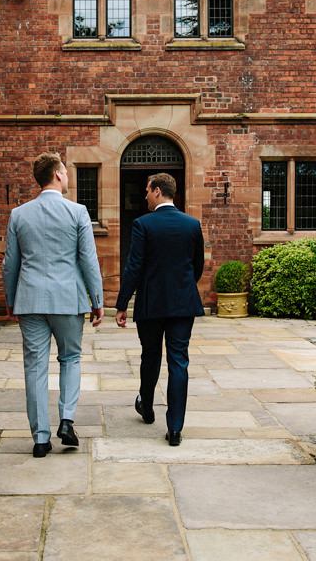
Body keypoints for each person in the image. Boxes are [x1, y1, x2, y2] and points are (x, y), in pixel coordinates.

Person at [3, 152, 104, 457]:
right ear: (59, 174)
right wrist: (97, 300)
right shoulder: (78, 212)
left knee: (34, 367)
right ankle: (67, 420)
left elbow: (10, 265)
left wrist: (11, 301)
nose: (68, 177)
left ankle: (40, 439)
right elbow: (89, 260)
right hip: (68, 299)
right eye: (66, 172)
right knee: (71, 358)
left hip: (30, 300)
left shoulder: (19, 215)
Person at [115, 172, 205, 446]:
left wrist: (122, 304)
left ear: (156, 191)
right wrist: (183, 288)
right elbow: (197, 266)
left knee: (150, 356)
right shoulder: (192, 224)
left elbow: (134, 266)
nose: (144, 196)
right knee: (179, 361)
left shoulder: (143, 224)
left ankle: (147, 405)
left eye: (146, 191)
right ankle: (175, 427)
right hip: (182, 303)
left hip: (151, 303)